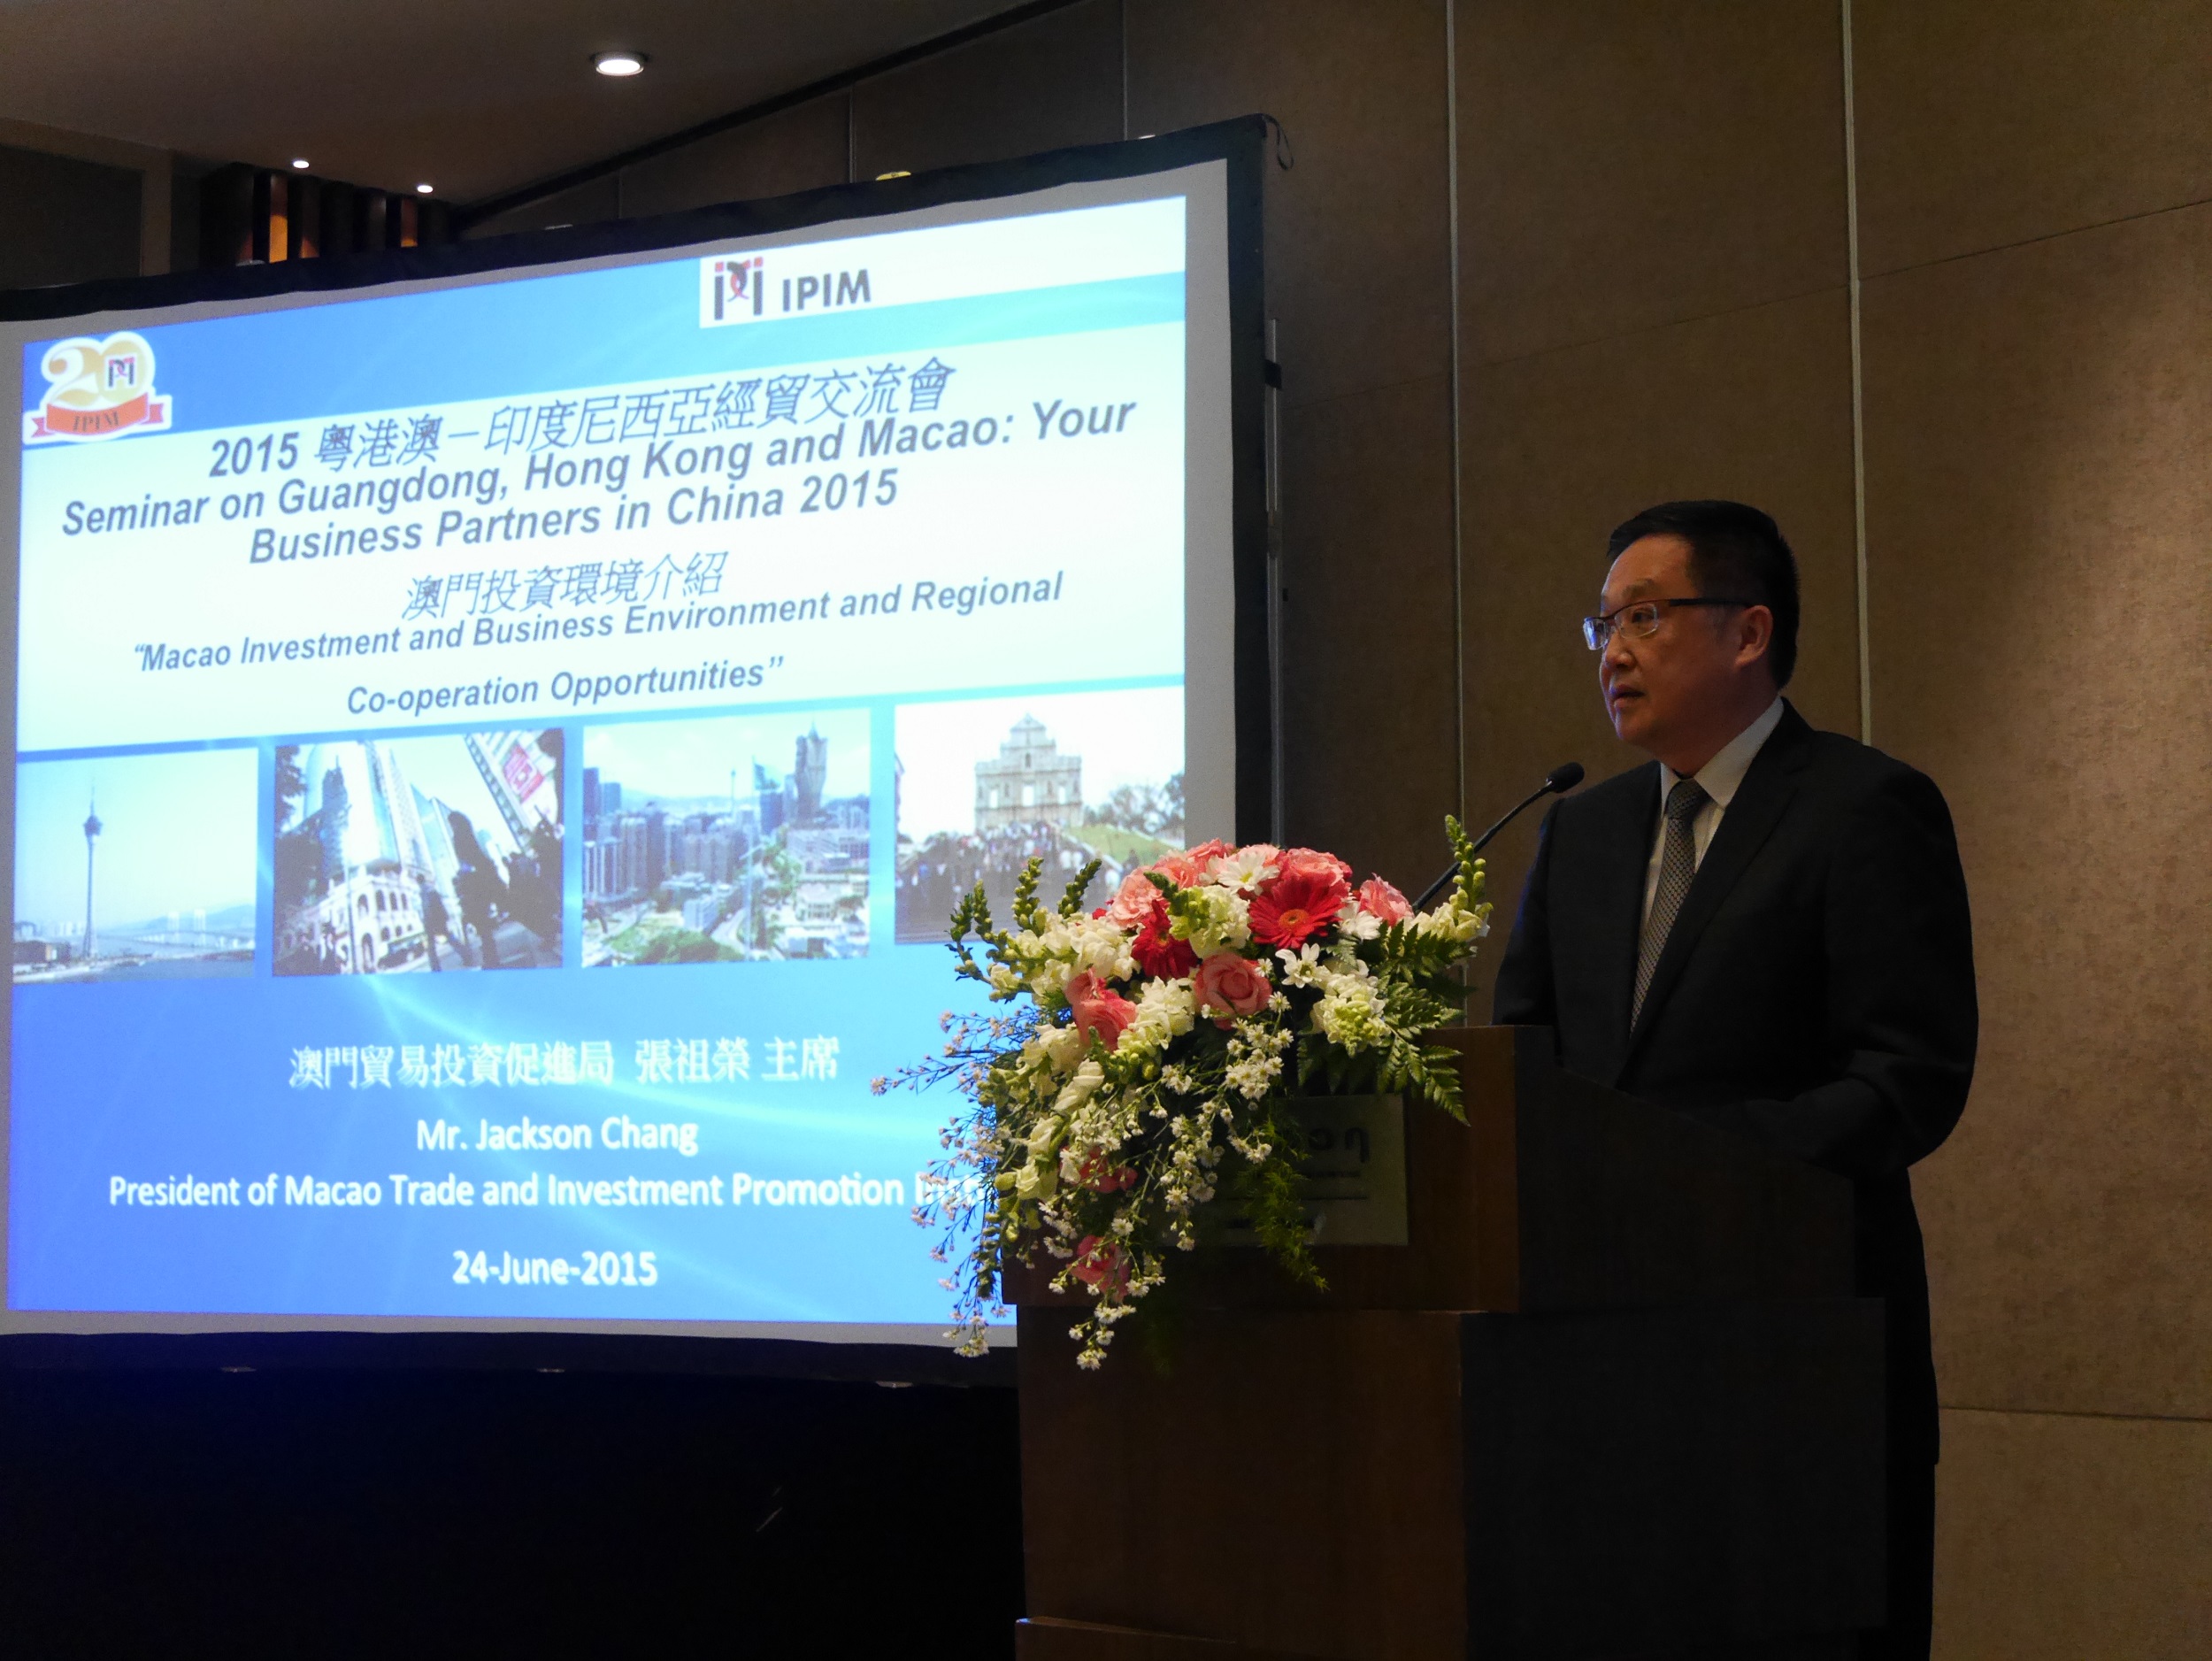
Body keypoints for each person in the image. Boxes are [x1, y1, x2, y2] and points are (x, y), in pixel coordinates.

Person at [1492, 500, 1976, 1661]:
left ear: (1749, 632)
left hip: (1800, 1367)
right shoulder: (1582, 830)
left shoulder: (1864, 807)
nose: (1612, 652)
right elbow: (1525, 1058)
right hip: (1602, 1366)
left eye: (1645, 617)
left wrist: (1688, 1165)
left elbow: (1907, 1078)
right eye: (1602, 624)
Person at [448, 811, 510, 970]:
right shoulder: (468, 834)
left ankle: (491, 959)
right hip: (480, 881)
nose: (451, 826)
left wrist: (463, 875)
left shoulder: (460, 838)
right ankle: (491, 958)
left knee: (482, 924)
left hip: (476, 884)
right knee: (484, 924)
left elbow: (468, 861)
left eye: (451, 823)